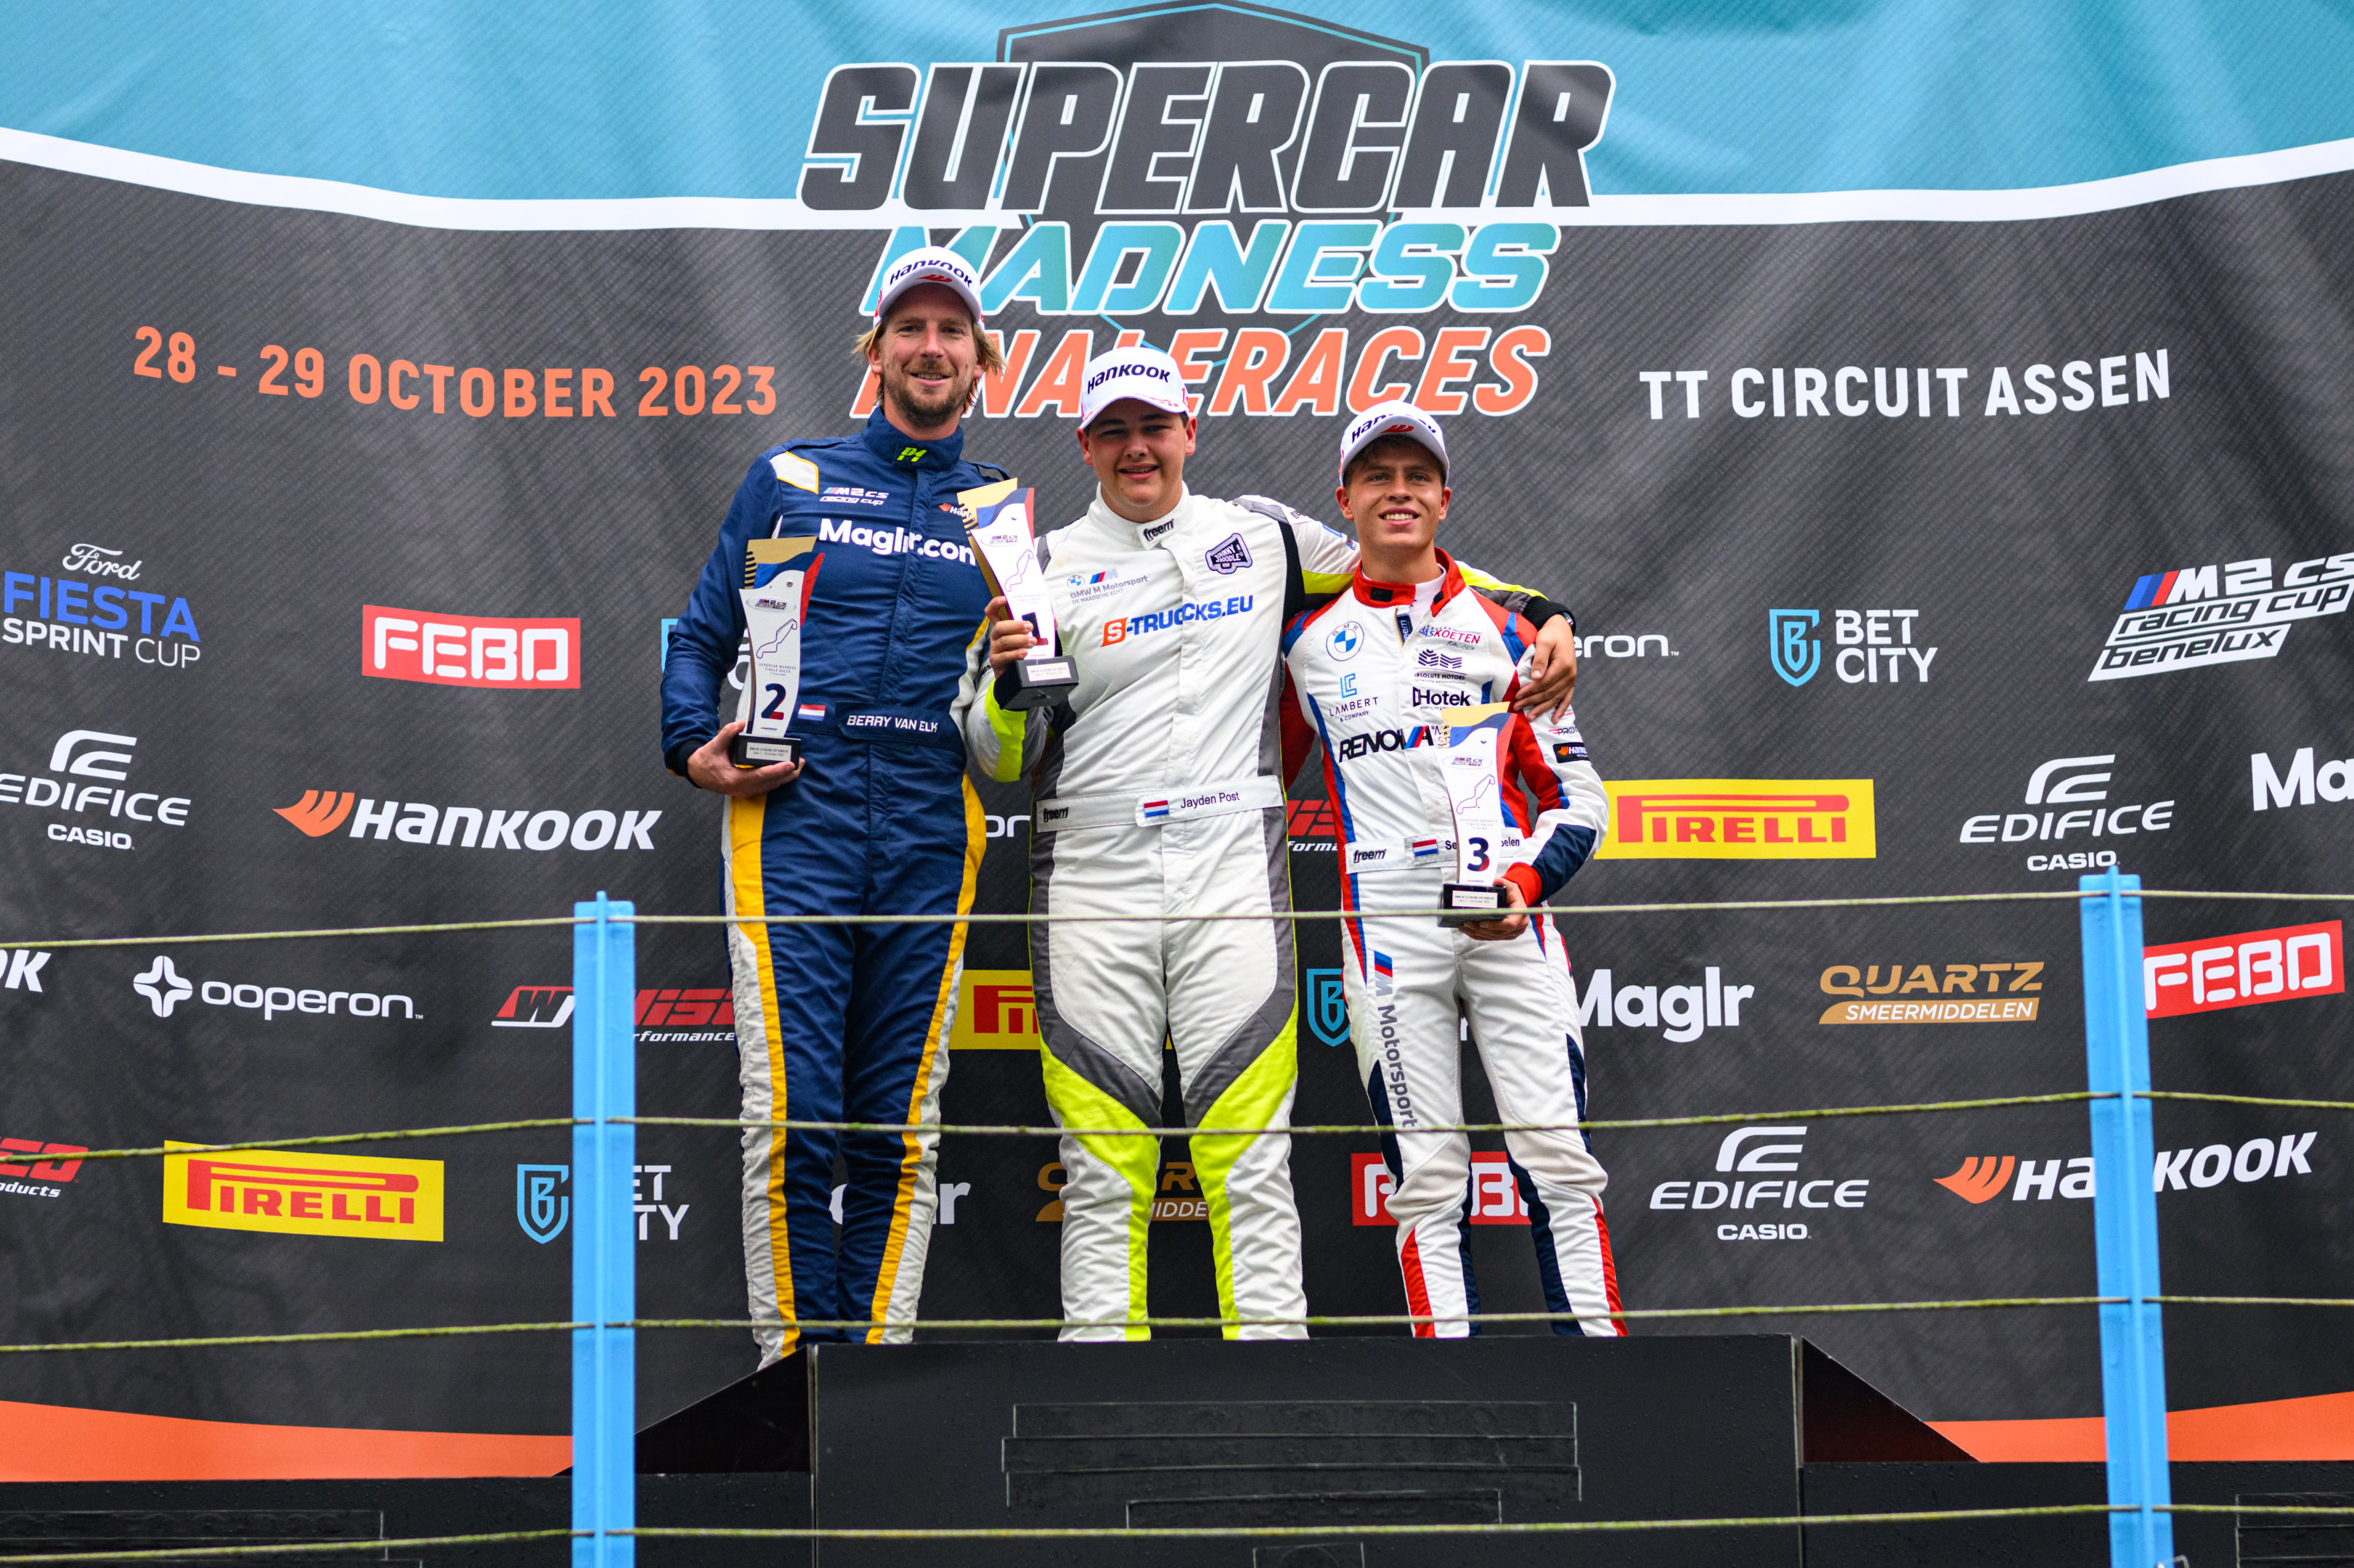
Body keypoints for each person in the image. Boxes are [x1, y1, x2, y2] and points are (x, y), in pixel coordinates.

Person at [952, 348, 1579, 1342]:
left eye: (1153, 427)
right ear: (1085, 446)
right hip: (1091, 875)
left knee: (1248, 1155)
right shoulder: (1038, 568)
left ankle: (1272, 1377)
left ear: (1188, 432)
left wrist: (1543, 614)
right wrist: (1005, 682)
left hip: (1231, 869)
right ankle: (1096, 1389)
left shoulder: (1268, 537)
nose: (1136, 448)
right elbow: (997, 757)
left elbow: (1403, 562)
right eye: (1113, 431)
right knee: (1100, 1161)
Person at [659, 248, 1007, 1363]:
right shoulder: (792, 478)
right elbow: (702, 633)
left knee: (899, 1128)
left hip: (929, 820)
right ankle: (794, 1378)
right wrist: (690, 748)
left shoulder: (998, 508)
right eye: (909, 328)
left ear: (981, 361)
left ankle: (875, 1384)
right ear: (876, 352)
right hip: (795, 812)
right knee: (794, 1116)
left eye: (950, 331)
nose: (929, 348)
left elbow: (1016, 702)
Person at [1278, 401, 1620, 1338]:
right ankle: (1449, 1378)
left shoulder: (1510, 630)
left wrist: (1524, 888)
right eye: (1378, 477)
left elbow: (1580, 798)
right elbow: (1255, 768)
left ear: (1444, 498)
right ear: (1344, 501)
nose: (1399, 493)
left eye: (1417, 477)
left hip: (1511, 920)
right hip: (1386, 931)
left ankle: (1602, 1373)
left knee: (1560, 1161)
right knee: (1427, 1179)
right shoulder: (1305, 642)